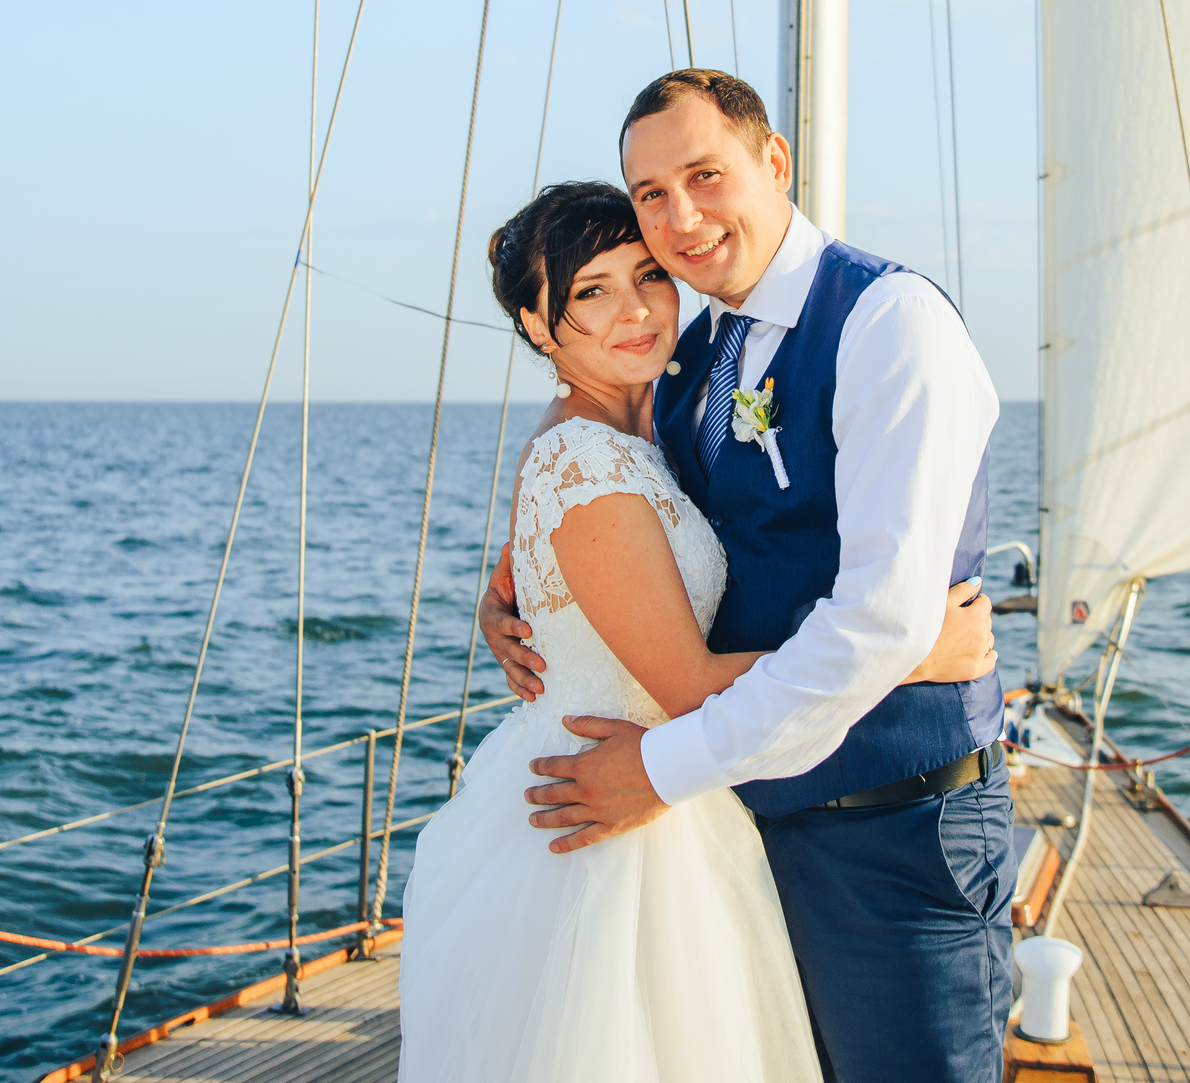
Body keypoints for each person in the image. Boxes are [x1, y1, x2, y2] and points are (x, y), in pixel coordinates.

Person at [397, 178, 994, 1083]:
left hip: (696, 796)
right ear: (535, 323)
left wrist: (513, 604)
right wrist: (911, 653)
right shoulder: (584, 456)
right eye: (591, 291)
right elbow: (685, 680)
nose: (635, 309)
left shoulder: (662, 415)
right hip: (616, 809)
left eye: (645, 274)